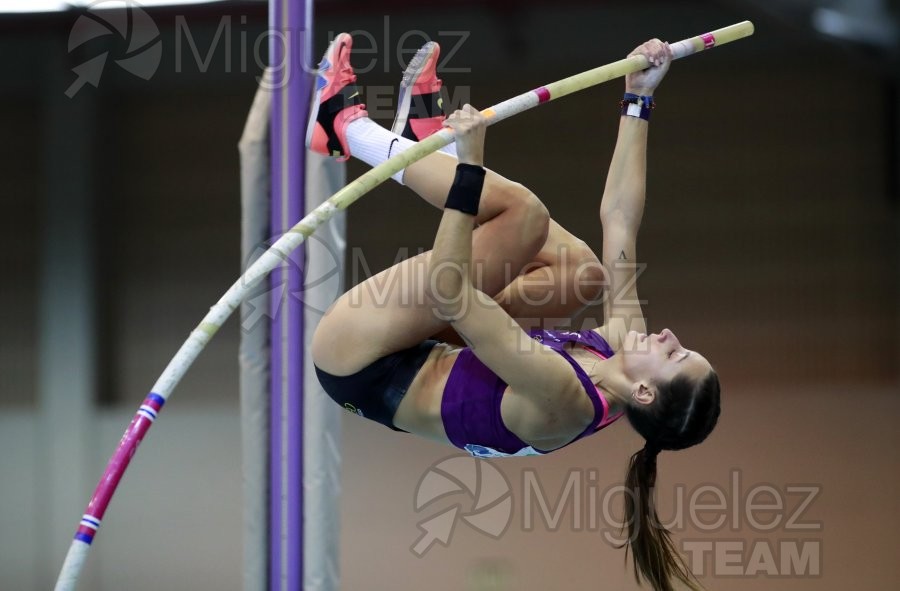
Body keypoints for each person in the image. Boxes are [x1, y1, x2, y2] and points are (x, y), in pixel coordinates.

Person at [308, 33, 720, 591]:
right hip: (434, 342)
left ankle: (345, 128)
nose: (669, 335)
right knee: (586, 274)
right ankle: (431, 152)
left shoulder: (565, 400)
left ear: (645, 394)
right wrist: (638, 99)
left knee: (520, 215)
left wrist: (472, 171)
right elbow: (621, 218)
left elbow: (455, 293)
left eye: (675, 354)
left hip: (361, 360)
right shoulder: (623, 349)